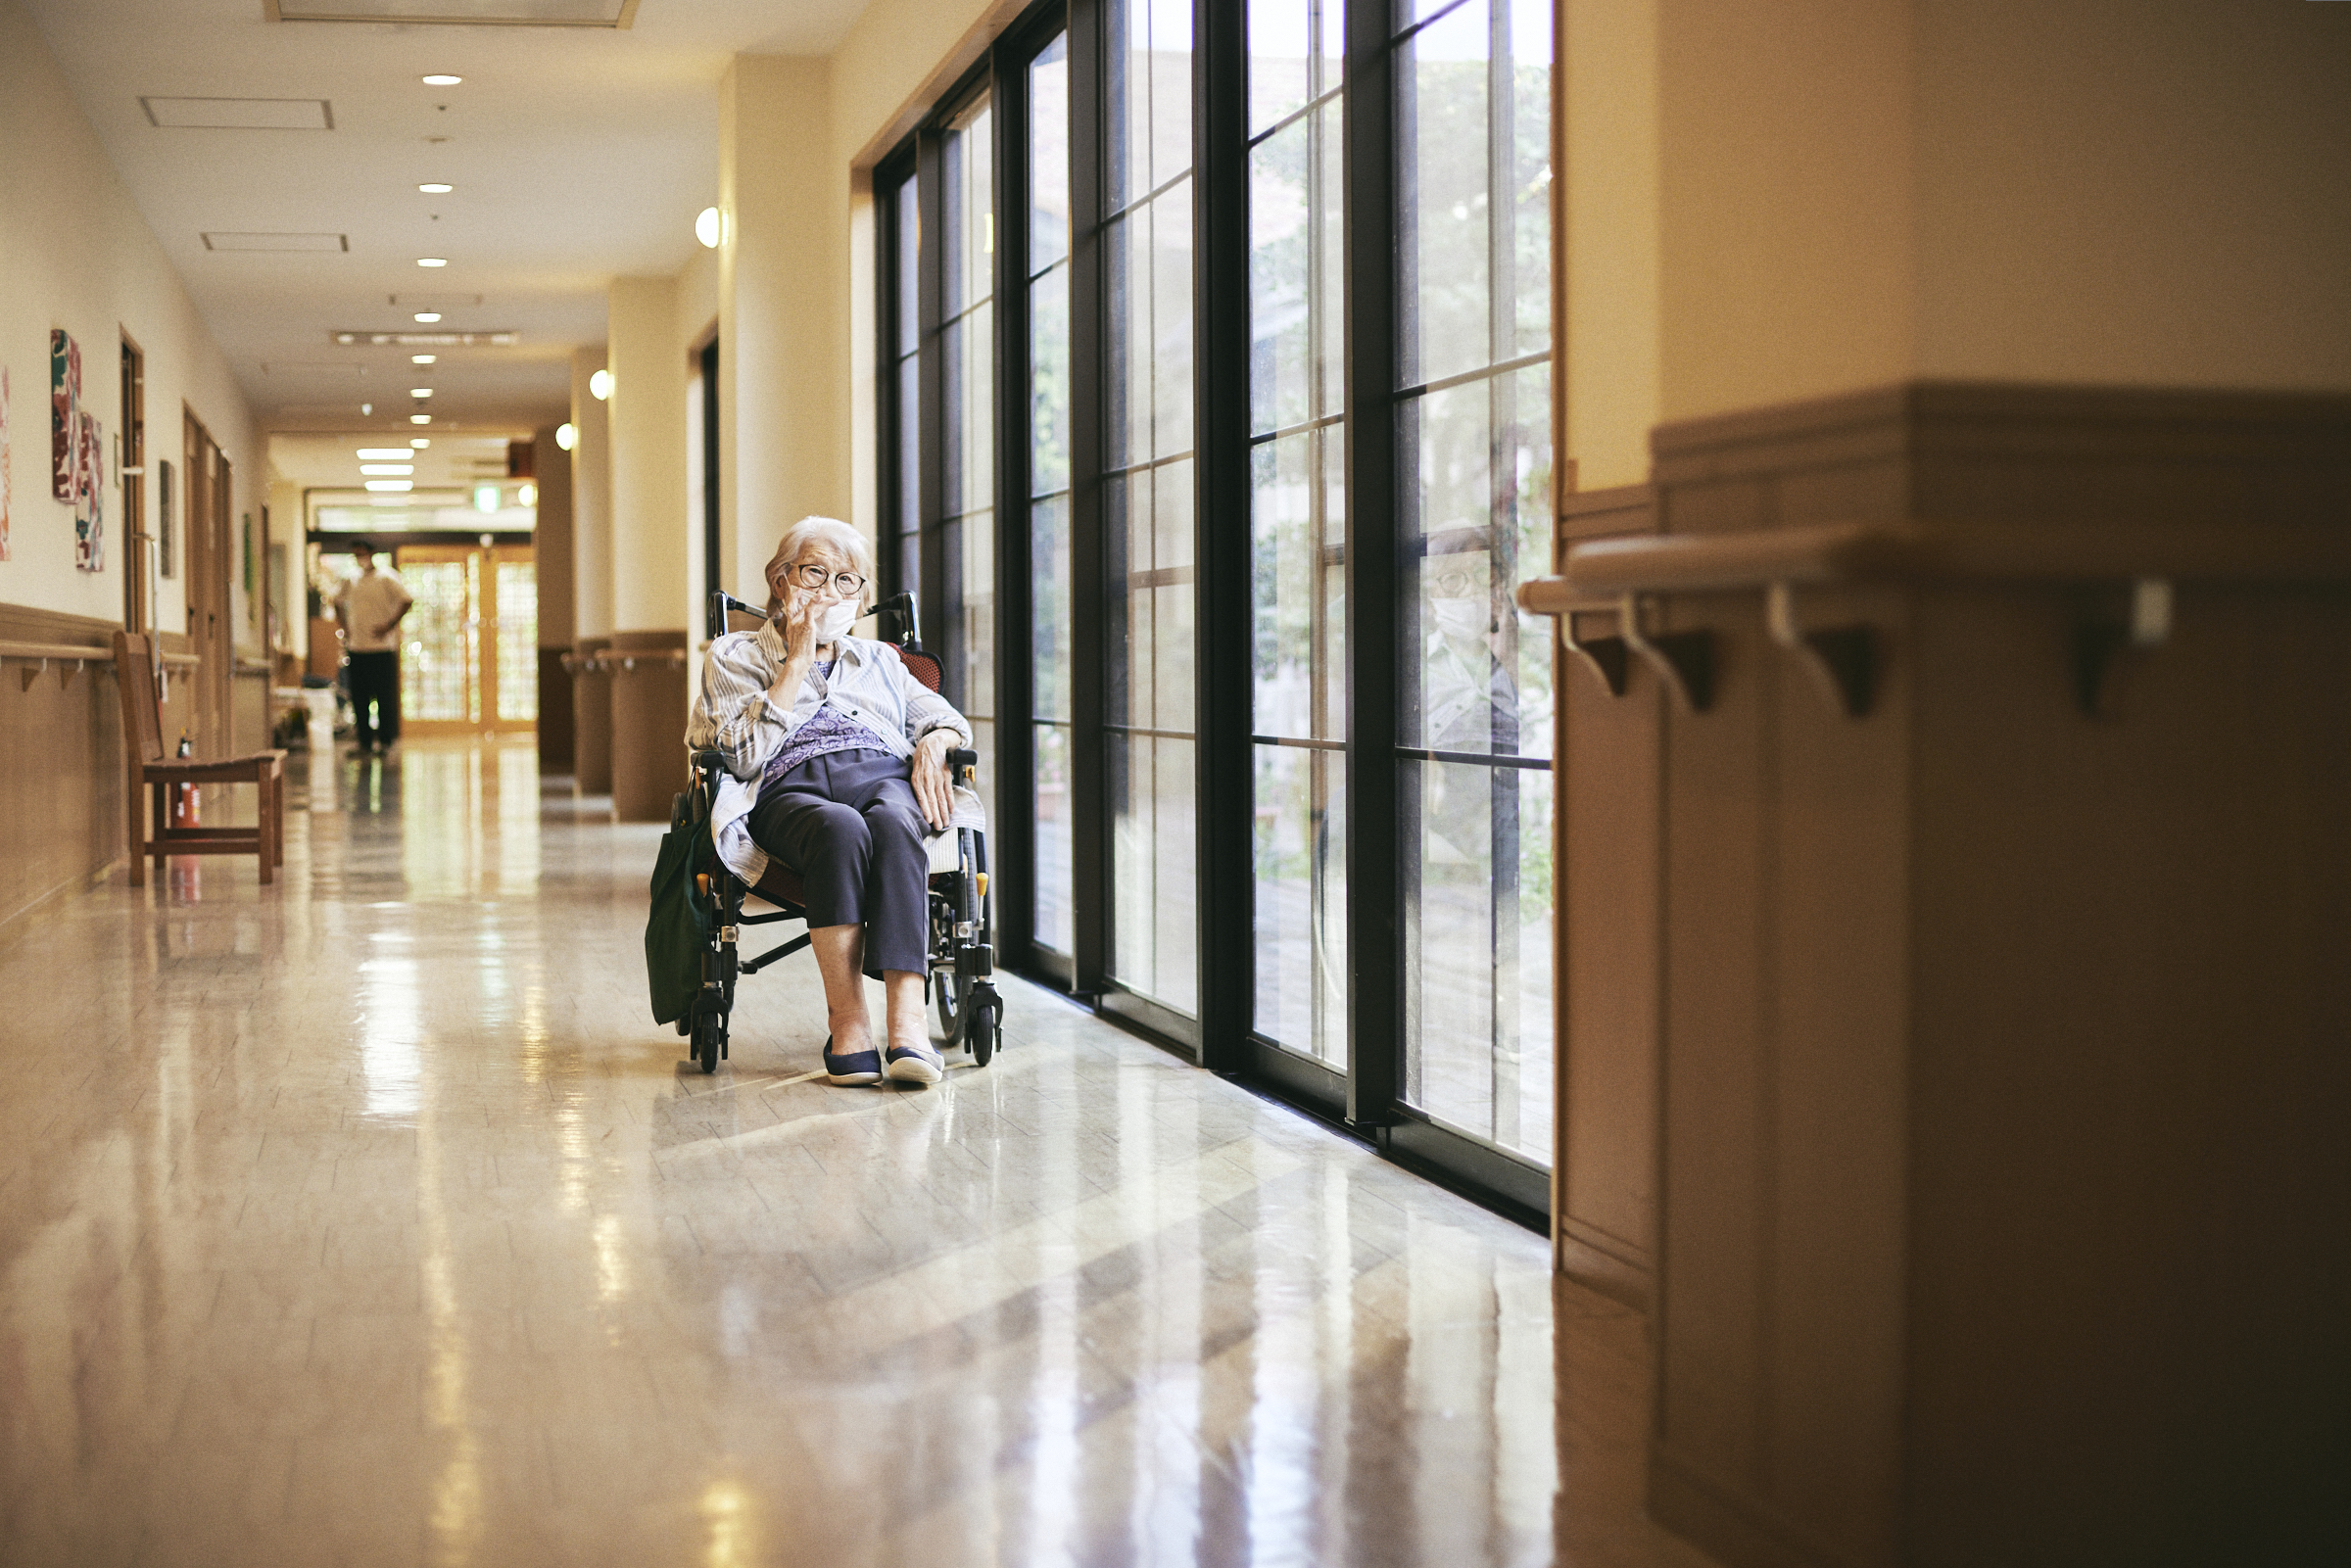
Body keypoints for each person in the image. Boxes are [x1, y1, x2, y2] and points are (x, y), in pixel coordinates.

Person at [686, 516, 972, 1086]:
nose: (830, 592)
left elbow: (944, 716)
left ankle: (908, 1027)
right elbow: (740, 757)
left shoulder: (882, 661)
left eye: (848, 581)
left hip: (881, 773)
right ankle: (849, 1025)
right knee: (839, 829)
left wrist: (937, 740)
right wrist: (794, 662)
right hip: (789, 786)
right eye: (815, 573)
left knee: (894, 822)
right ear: (779, 579)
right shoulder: (734, 656)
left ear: (863, 598)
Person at [335, 541, 412, 755]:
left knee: (384, 696)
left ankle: (386, 741)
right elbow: (337, 601)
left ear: (371, 553)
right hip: (357, 647)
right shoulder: (350, 579)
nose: (359, 557)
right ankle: (364, 742)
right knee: (359, 697)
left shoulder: (387, 577)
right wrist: (344, 628)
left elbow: (407, 599)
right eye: (356, 554)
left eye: (362, 553)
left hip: (381, 649)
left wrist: (389, 625)